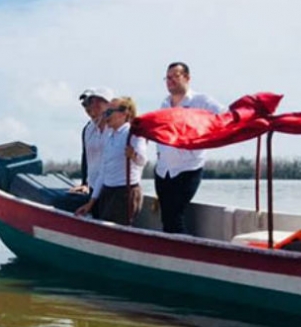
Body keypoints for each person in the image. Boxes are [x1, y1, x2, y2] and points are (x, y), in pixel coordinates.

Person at [155, 62, 224, 233]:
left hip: (188, 168)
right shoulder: (164, 104)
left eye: (175, 76)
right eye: (167, 78)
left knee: (175, 216)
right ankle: (169, 253)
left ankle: (179, 254)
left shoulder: (201, 101)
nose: (170, 81)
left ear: (187, 78)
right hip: (164, 170)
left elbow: (225, 115)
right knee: (166, 218)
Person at [75, 97, 147, 226]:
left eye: (109, 113)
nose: (105, 116)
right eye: (105, 113)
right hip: (108, 192)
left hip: (125, 193)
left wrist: (133, 155)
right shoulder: (110, 136)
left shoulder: (133, 134)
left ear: (124, 113)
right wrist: (91, 203)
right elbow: (103, 173)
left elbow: (142, 161)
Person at [72, 87, 115, 198]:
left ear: (107, 103)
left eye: (91, 102)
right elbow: (85, 157)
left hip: (113, 187)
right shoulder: (88, 129)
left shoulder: (117, 128)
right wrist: (84, 183)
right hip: (94, 187)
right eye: (84, 104)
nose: (88, 107)